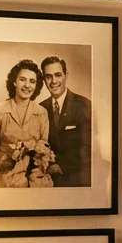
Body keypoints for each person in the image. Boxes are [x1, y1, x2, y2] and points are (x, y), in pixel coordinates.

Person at [0, 59, 50, 188]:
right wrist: (12, 158)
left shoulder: (42, 112)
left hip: (35, 176)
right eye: (22, 79)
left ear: (36, 86)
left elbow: (44, 148)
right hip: (5, 176)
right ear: (14, 82)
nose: (27, 85)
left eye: (32, 81)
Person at [39, 56, 91, 188]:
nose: (53, 81)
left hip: (76, 180)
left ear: (66, 75)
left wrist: (61, 166)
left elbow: (88, 147)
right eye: (48, 77)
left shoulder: (83, 104)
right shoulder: (40, 108)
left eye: (58, 75)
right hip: (47, 182)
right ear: (44, 80)